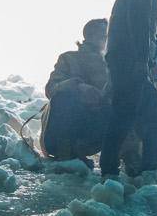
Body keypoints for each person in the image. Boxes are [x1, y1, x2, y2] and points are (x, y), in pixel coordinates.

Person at [102, 0, 157, 177]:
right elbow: (140, 24)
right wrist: (144, 60)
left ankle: (121, 168)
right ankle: (138, 170)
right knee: (135, 113)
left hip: (126, 58)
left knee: (131, 113)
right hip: (131, 60)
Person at [41, 19, 111, 160]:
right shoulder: (69, 59)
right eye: (104, 36)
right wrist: (78, 87)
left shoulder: (112, 64)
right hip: (61, 134)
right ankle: (65, 151)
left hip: (97, 126)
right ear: (90, 36)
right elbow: (51, 88)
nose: (107, 39)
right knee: (65, 96)